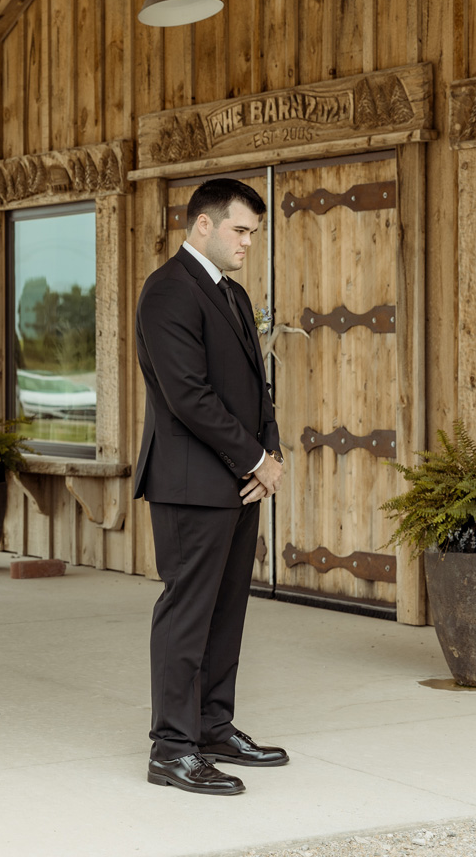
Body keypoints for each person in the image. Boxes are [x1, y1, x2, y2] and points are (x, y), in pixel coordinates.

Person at [133, 179, 287, 795]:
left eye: (253, 232)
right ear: (202, 224)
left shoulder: (234, 294)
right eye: (240, 230)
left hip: (239, 482)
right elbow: (188, 396)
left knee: (227, 612)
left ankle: (212, 726)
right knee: (187, 614)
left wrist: (268, 453)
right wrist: (254, 458)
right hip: (190, 483)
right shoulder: (167, 291)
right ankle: (172, 748)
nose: (249, 242)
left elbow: (256, 384)